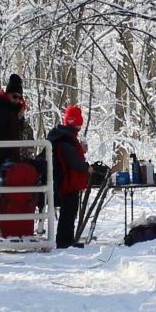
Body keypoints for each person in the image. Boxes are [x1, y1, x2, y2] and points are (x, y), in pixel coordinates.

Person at [46, 105, 91, 249]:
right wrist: (86, 167)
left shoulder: (63, 136)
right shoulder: (67, 139)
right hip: (68, 181)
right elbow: (73, 160)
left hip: (66, 180)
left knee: (69, 211)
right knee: (68, 212)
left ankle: (67, 239)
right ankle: (64, 241)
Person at [0, 74, 32, 179]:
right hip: (2, 157)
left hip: (12, 156)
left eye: (19, 98)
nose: (17, 100)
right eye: (14, 96)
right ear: (7, 94)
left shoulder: (14, 112)